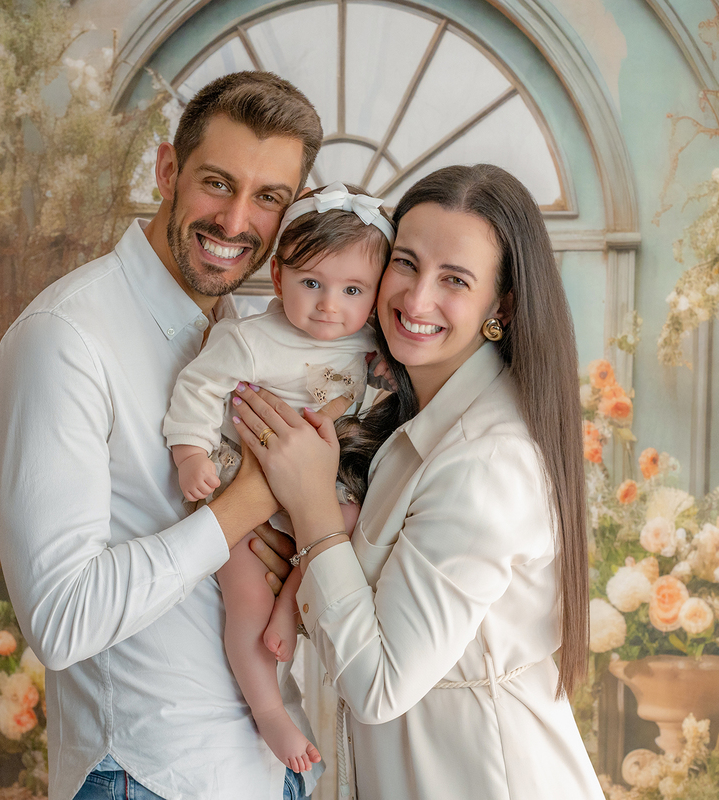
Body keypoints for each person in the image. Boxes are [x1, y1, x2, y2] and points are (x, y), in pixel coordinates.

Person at [0, 72, 337, 800]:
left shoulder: (242, 333)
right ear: (168, 170)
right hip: (149, 775)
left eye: (268, 197)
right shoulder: (66, 339)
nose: (236, 221)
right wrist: (243, 502)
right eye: (217, 183)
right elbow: (60, 619)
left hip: (268, 773)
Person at [230, 164, 605, 799]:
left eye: (454, 280)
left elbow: (378, 686)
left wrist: (314, 509)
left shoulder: (485, 461)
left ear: (501, 307)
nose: (416, 298)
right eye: (405, 263)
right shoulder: (409, 424)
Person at [162, 182, 393, 772]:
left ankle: (292, 597)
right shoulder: (249, 338)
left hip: (322, 487)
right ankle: (269, 712)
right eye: (311, 283)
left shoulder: (370, 346)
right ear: (280, 273)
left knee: (355, 520)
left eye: (352, 290)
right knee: (242, 596)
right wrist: (192, 455)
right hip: (246, 484)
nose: (328, 306)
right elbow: (197, 387)